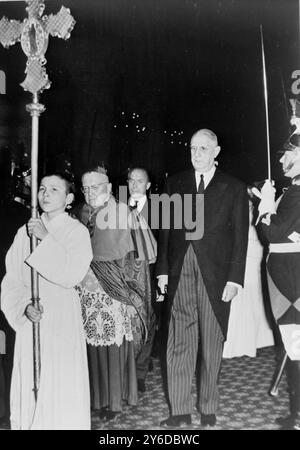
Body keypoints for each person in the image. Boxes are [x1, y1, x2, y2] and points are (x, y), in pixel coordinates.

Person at [157, 128, 249, 428]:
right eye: (193, 148)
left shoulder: (233, 187)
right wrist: (161, 271)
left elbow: (240, 238)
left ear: (216, 152)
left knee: (211, 343)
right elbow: (166, 232)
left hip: (216, 275)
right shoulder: (175, 183)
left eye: (204, 149)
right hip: (179, 269)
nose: (197, 154)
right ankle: (179, 410)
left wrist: (235, 279)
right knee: (178, 342)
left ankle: (208, 407)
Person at [0, 172, 93, 430]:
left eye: (54, 189)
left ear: (69, 198)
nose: (46, 193)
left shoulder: (77, 231)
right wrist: (23, 307)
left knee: (60, 383)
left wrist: (45, 238)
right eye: (42, 188)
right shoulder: (24, 232)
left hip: (62, 316)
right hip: (33, 317)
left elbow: (72, 273)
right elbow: (12, 279)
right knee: (31, 381)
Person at [77, 166, 156, 421]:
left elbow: (140, 261)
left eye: (95, 187)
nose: (90, 193)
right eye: (85, 188)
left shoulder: (126, 214)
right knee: (92, 348)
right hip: (87, 295)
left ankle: (114, 401)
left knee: (115, 348)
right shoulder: (81, 214)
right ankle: (96, 399)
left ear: (109, 188)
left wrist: (130, 295)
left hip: (117, 295)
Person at [255, 125, 300, 430]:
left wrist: (265, 206)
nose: (284, 161)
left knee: (296, 347)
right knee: (294, 348)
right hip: (287, 276)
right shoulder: (293, 189)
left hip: (290, 280)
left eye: (291, 155)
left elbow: (272, 232)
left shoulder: (297, 191)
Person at [223, 193, 274, 358]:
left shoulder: (255, 212)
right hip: (244, 257)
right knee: (243, 300)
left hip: (253, 256)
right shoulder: (237, 212)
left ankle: (250, 341)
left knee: (252, 298)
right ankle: (244, 342)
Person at [0, 173, 30, 428]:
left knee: (8, 349)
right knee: (10, 349)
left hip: (10, 290)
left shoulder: (20, 214)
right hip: (11, 291)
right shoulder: (20, 213)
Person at [127, 167, 158, 393]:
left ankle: (140, 372)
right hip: (124, 276)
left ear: (148, 186)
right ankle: (126, 370)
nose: (134, 184)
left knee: (147, 320)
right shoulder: (116, 209)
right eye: (131, 180)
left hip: (150, 274)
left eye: (140, 181)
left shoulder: (159, 209)